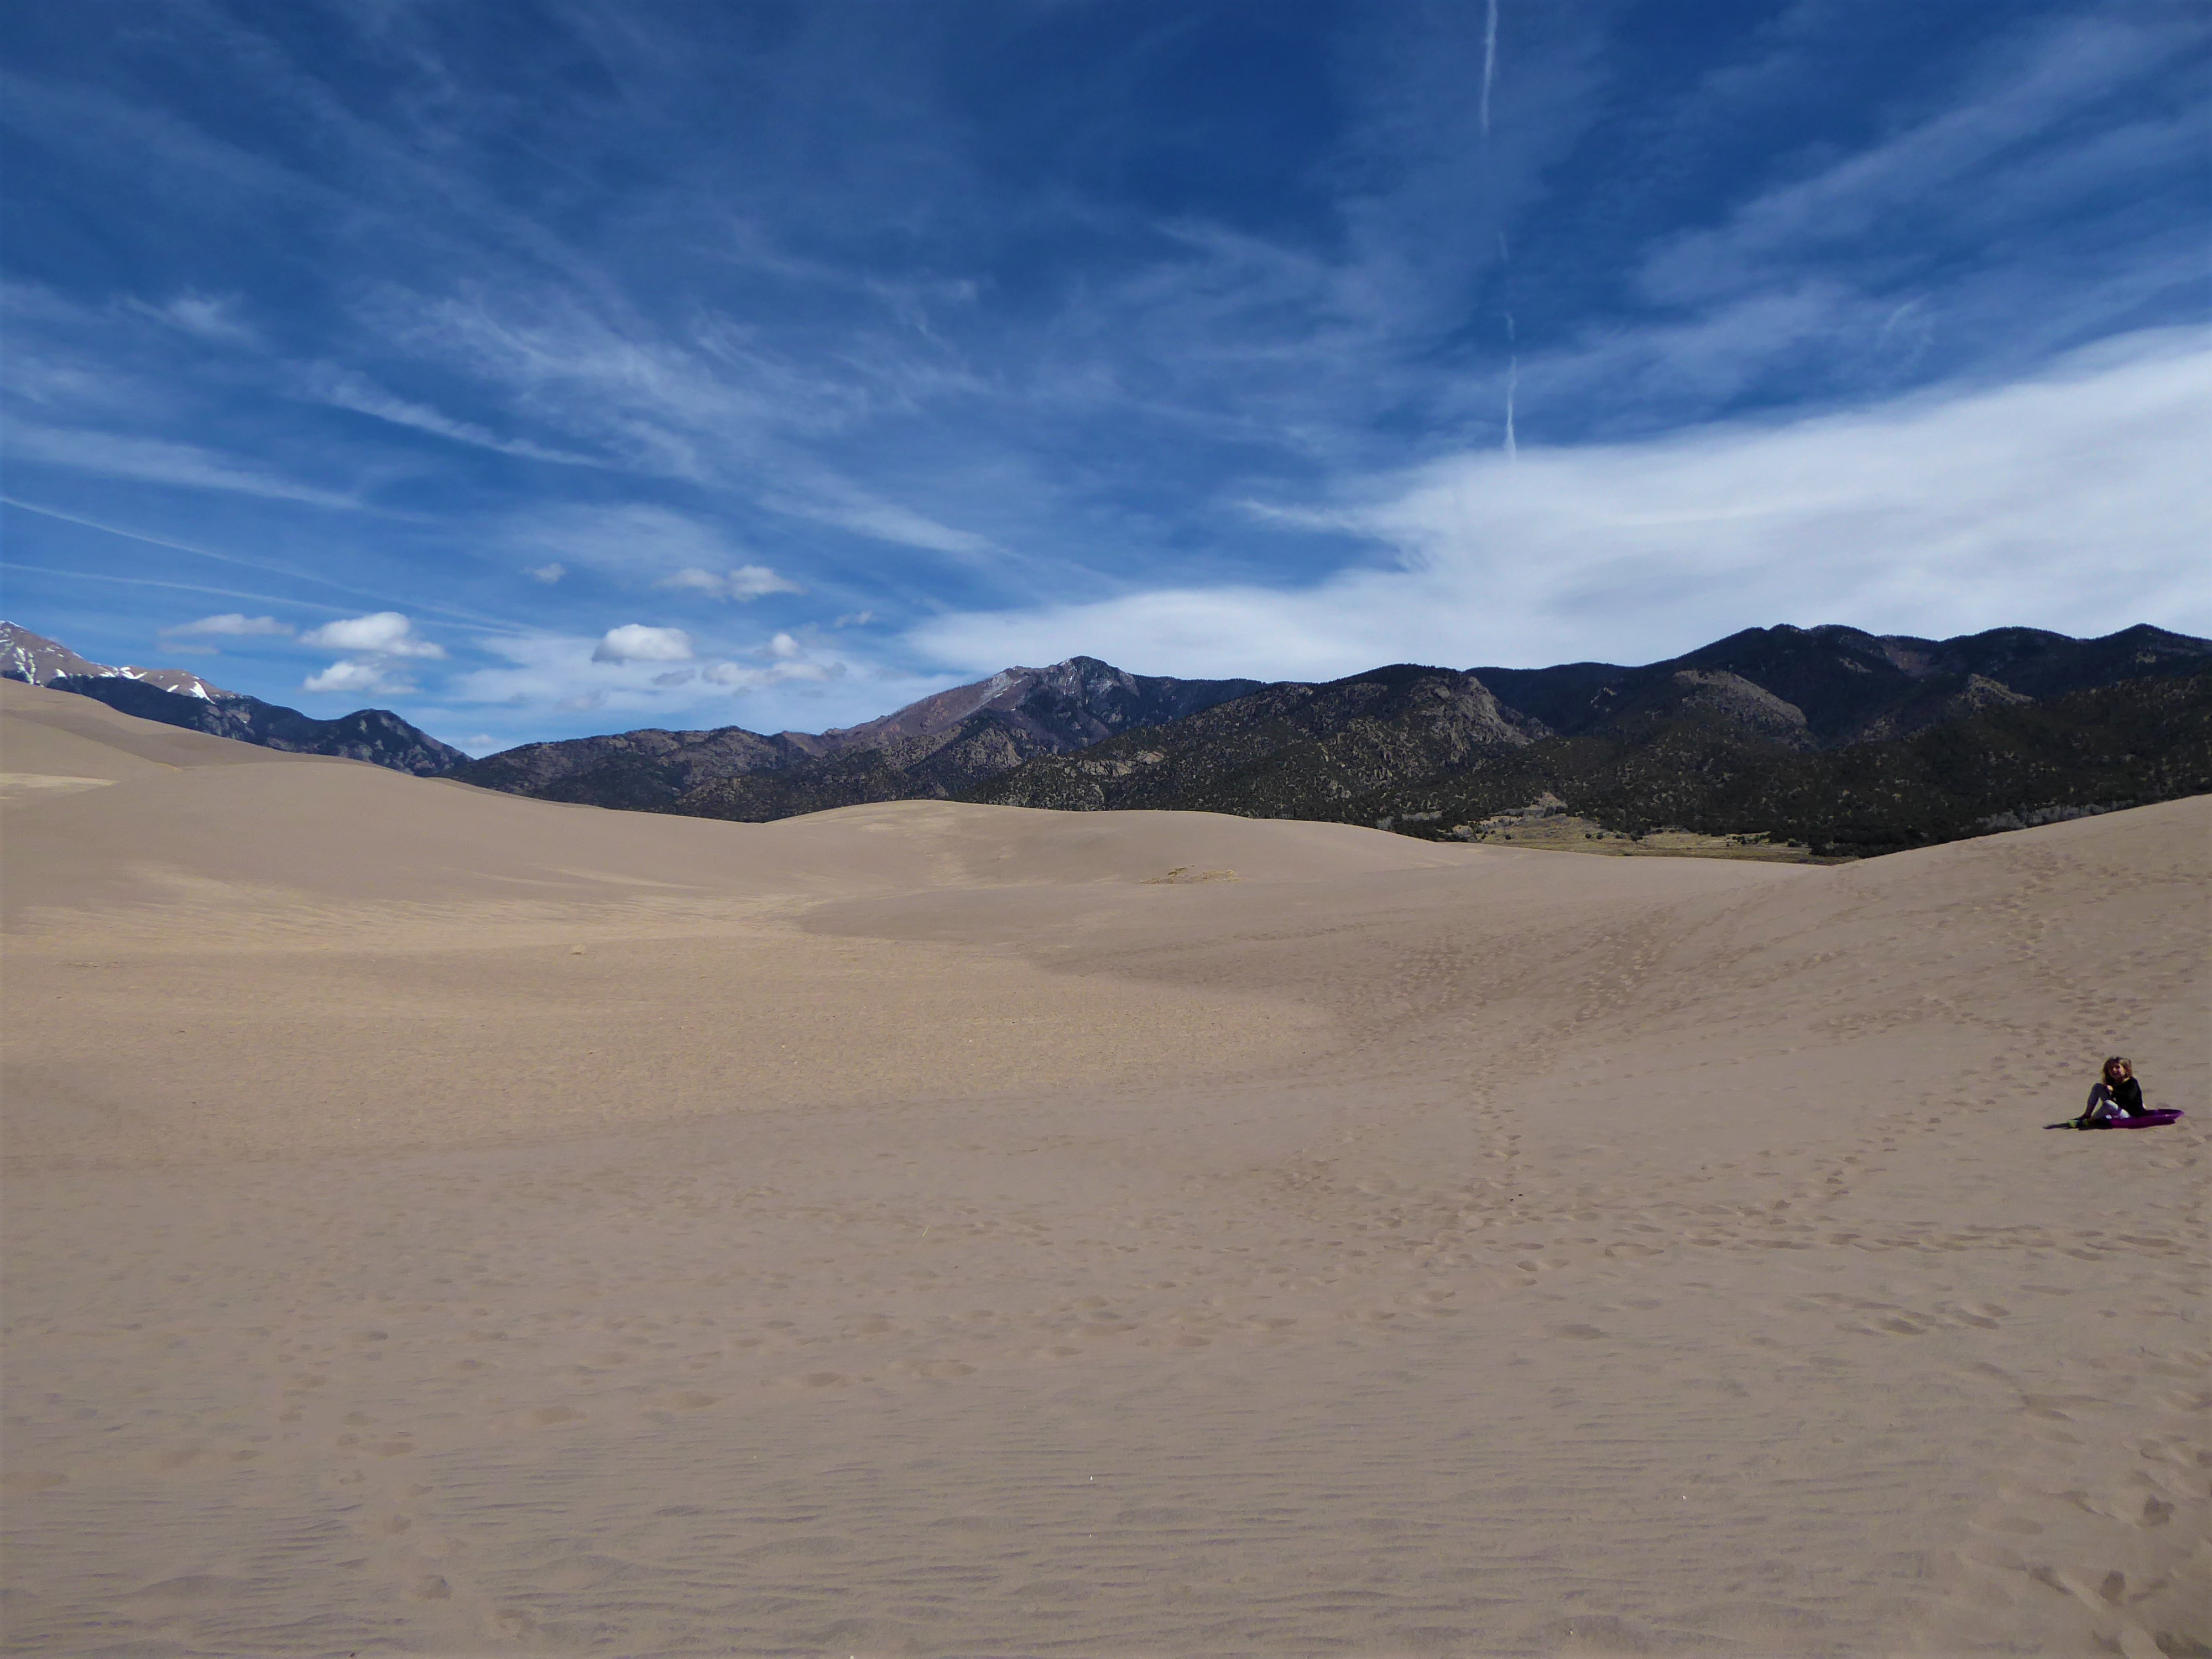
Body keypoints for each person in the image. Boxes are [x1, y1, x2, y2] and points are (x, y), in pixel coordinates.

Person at [2080, 1056, 2144, 1125]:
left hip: (2130, 1115)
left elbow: (2128, 1098)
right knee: (2098, 1087)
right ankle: (2087, 1115)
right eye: (2111, 1068)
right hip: (2117, 1110)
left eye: (2117, 1067)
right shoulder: (2112, 1081)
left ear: (2126, 1069)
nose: (2114, 1070)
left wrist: (2113, 1091)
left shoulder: (2132, 1082)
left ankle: (2089, 1121)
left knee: (2108, 1104)